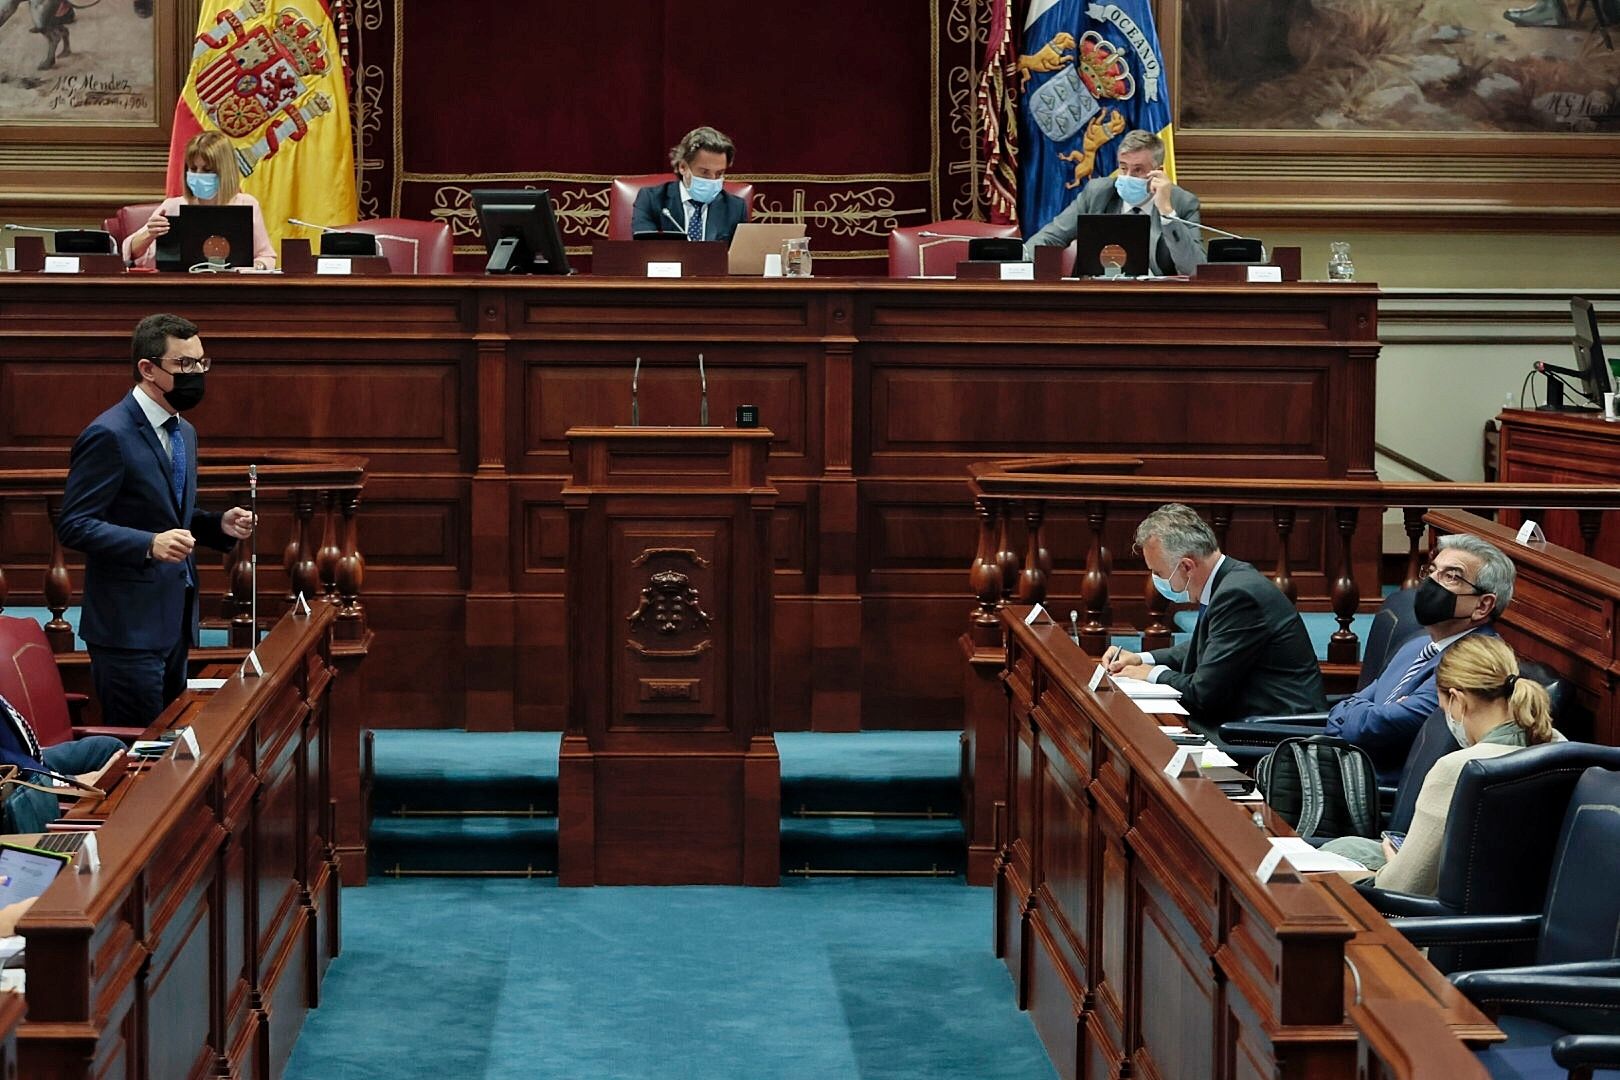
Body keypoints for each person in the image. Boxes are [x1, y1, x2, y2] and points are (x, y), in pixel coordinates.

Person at [57, 314, 255, 730]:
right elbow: (75, 523)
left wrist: (218, 525)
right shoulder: (109, 434)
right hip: (126, 631)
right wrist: (148, 544)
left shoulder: (184, 432)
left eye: (201, 363)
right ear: (148, 369)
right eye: (184, 365)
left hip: (174, 624)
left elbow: (170, 517)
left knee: (169, 753)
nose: (197, 374)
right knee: (142, 760)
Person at [1322, 635, 1563, 893]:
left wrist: (1391, 865)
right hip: (1519, 913)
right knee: (1347, 848)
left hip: (1431, 921)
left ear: (1458, 701)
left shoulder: (1457, 768)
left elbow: (1399, 888)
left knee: (1317, 864)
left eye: (1442, 706)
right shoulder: (1565, 750)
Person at [1104, 504, 1326, 732]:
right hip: (1249, 722)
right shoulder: (1229, 580)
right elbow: (1207, 646)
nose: (1156, 580)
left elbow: (1203, 694)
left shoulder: (1238, 595)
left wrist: (1151, 674)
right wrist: (1142, 659)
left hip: (1277, 736)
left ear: (1186, 566)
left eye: (1158, 573)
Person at [1324, 534, 1512, 782]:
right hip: (1346, 772)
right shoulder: (1418, 645)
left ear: (1483, 605)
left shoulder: (1475, 666)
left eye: (1451, 576)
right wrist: (1363, 713)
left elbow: (1375, 726)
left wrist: (1362, 714)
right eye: (1432, 571)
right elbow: (1353, 708)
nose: (1432, 582)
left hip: (1378, 793)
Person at [1022, 128, 1207, 275]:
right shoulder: (1098, 194)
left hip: (1153, 303)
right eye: (1123, 168)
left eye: (1138, 170)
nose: (1127, 177)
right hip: (1096, 298)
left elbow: (1195, 268)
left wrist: (1167, 212)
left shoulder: (1182, 202)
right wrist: (1016, 261)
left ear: (1158, 171)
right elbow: (1052, 236)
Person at [121, 131, 276, 270]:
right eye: (193, 169)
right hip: (181, 292)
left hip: (232, 290)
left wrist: (257, 266)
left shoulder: (246, 204)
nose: (199, 175)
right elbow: (129, 253)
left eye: (207, 170)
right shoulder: (172, 206)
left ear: (224, 172)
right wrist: (150, 233)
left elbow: (267, 257)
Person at [0, 689, 123, 829]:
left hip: (29, 756)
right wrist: (66, 781)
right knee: (104, 781)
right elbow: (8, 763)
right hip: (14, 776)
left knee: (108, 749)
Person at [630, 126, 749, 244]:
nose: (712, 180)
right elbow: (645, 251)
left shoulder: (735, 208)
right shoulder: (651, 200)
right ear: (683, 167)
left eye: (719, 173)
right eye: (704, 172)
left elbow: (740, 258)